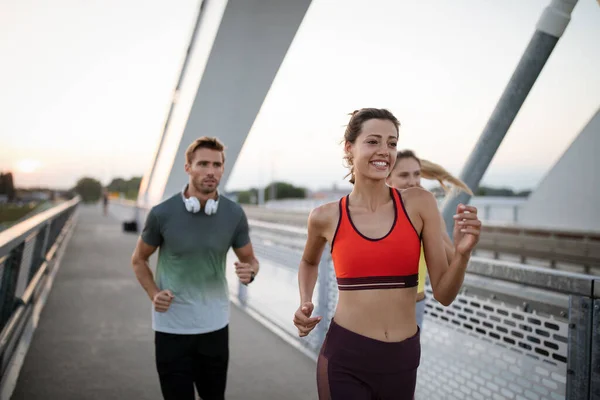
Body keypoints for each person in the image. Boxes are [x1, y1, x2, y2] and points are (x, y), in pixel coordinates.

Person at [292, 108, 481, 400]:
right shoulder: (325, 216)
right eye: (373, 142)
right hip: (346, 358)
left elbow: (444, 294)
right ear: (349, 147)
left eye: (392, 143)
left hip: (402, 361)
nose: (384, 151)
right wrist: (305, 301)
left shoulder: (419, 204)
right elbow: (308, 261)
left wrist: (463, 255)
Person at [131, 136, 259, 400]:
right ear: (188, 167)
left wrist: (251, 272)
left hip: (214, 328)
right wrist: (154, 293)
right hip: (171, 330)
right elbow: (139, 259)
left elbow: (250, 259)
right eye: (202, 164)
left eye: (217, 164)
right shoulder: (161, 213)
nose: (211, 171)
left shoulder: (234, 214)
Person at [386, 150, 473, 331]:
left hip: (413, 306)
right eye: (404, 175)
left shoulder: (430, 215)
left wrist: (429, 227)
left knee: (405, 360)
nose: (413, 181)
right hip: (375, 308)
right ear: (388, 179)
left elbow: (451, 262)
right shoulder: (374, 213)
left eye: (417, 174)